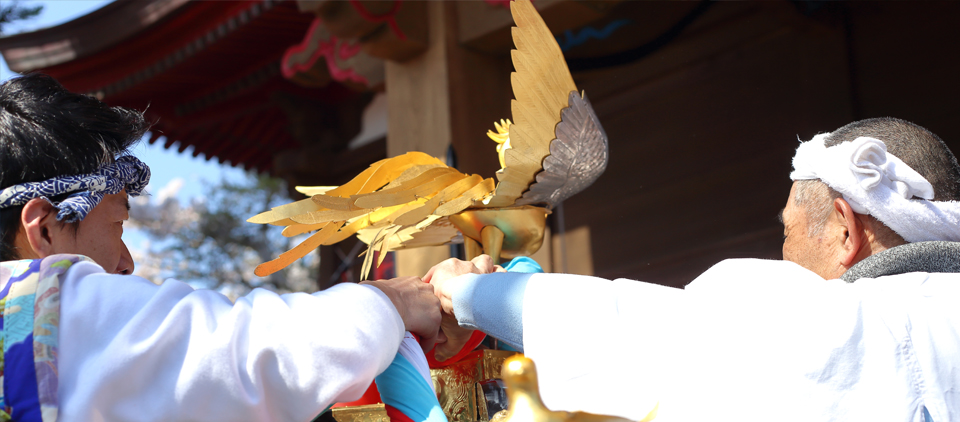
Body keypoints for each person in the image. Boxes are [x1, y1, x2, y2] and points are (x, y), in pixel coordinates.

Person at [425, 118, 960, 421]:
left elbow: (638, 331)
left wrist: (469, 292)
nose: (784, 255)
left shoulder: (844, 320)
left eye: (787, 233)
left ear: (845, 228)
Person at [0, 73, 442, 422]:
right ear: (44, 231)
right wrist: (395, 300)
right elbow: (253, 358)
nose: (126, 262)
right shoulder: (42, 307)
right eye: (117, 224)